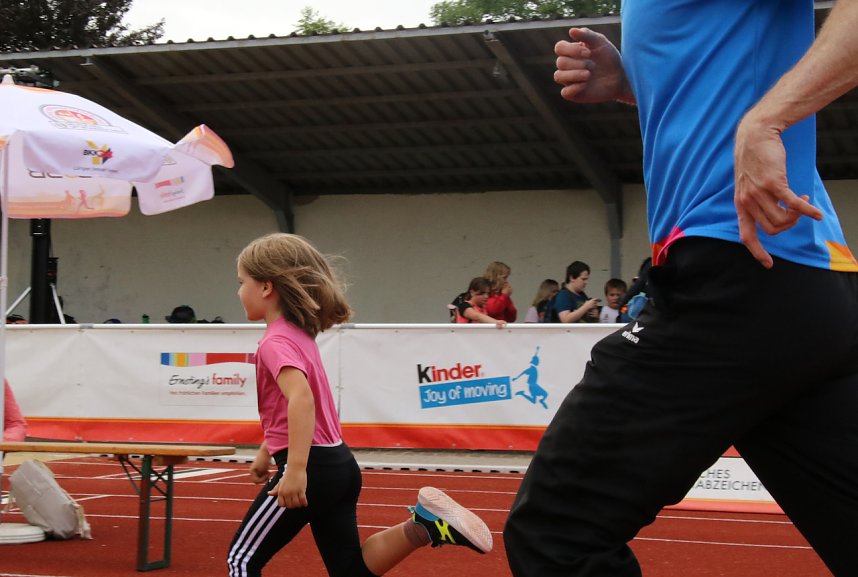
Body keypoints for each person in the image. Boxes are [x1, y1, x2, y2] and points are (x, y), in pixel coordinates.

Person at [504, 3, 858, 577]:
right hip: (803, 287)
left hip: (733, 276)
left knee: (558, 530)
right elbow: (725, 78)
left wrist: (769, 118)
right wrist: (634, 86)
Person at [229, 233, 492, 577]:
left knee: (242, 560)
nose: (238, 291)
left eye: (241, 282)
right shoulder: (300, 335)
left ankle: (424, 525)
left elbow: (302, 399)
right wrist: (267, 449)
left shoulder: (274, 341)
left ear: (265, 287)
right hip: (339, 465)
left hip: (312, 469)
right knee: (349, 568)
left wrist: (294, 471)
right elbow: (295, 406)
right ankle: (425, 527)